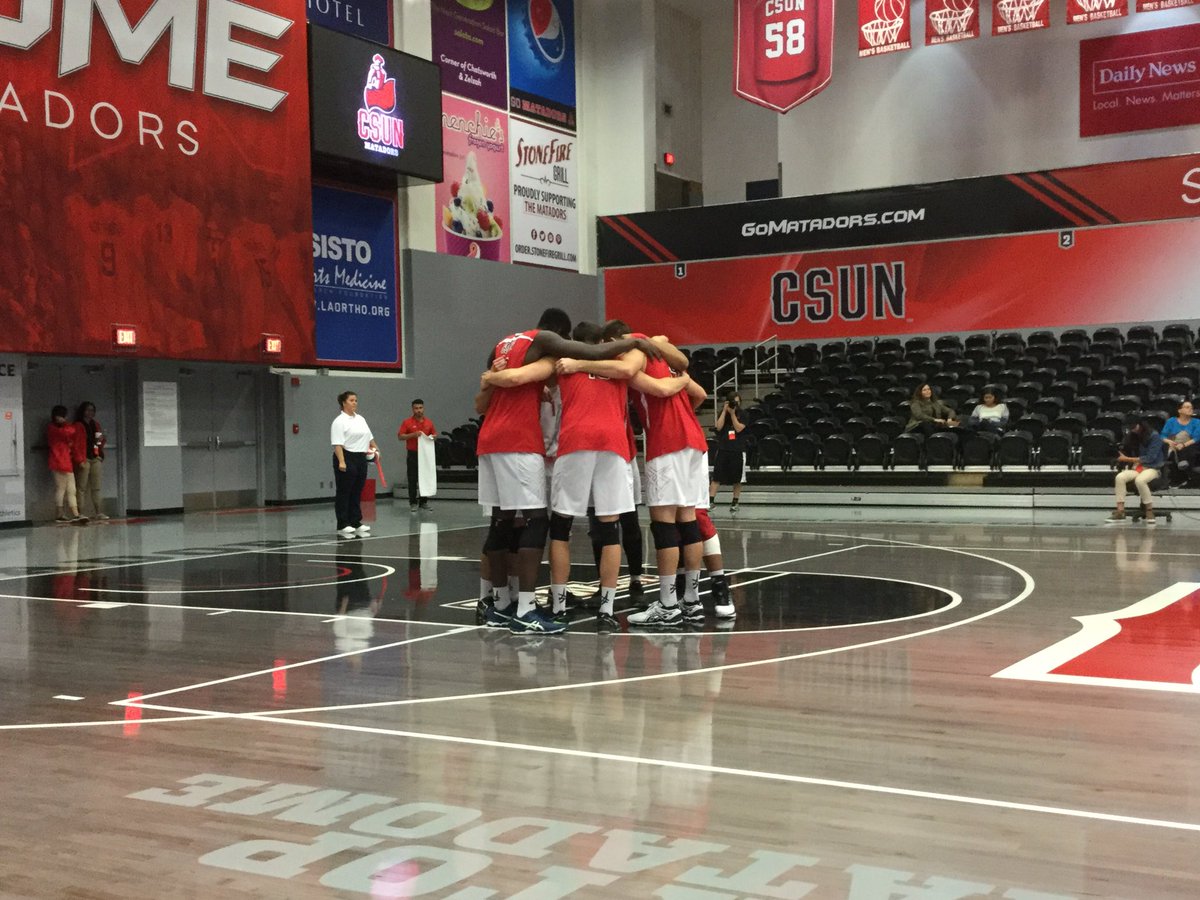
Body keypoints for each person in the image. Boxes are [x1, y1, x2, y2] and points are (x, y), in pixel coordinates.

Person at [472, 308, 663, 635]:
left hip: (544, 443)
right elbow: (657, 381)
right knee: (606, 526)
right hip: (603, 445)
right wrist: (640, 345)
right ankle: (599, 608)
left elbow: (501, 389)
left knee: (538, 524)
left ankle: (523, 603)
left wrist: (490, 377)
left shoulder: (536, 357)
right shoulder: (616, 364)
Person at [562, 320, 705, 627]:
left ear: (616, 340)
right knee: (688, 519)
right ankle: (691, 600)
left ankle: (668, 603)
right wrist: (681, 382)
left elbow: (632, 374)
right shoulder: (664, 358)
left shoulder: (635, 348)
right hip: (693, 439)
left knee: (664, 522)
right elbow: (700, 393)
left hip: (668, 440)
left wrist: (577, 363)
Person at [330, 391, 379, 536]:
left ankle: (355, 521)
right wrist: (342, 461)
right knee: (344, 491)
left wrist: (376, 450)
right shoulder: (339, 421)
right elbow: (337, 443)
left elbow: (369, 437)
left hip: (360, 457)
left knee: (357, 490)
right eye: (351, 400)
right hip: (346, 456)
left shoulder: (361, 419)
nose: (355, 403)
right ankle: (342, 524)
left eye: (356, 400)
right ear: (344, 403)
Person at [1106, 418, 1165, 526]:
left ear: (1140, 425)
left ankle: (1149, 511)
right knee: (1120, 477)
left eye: (1134, 427)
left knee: (1140, 480)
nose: (1133, 430)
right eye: (1131, 429)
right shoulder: (1133, 436)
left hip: (1152, 468)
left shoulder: (1155, 436)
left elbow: (1150, 458)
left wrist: (1126, 459)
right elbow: (1127, 451)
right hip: (1137, 468)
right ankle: (1120, 511)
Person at [47, 406, 86, 524]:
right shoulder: (52, 428)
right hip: (58, 461)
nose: (61, 418)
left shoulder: (64, 428)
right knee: (61, 488)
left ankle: (75, 514)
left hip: (66, 462)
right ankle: (60, 514)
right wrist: (65, 425)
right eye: (60, 416)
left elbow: (71, 433)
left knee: (71, 489)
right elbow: (67, 433)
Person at [397, 399, 437, 511]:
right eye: (416, 408)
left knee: (425, 477)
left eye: (420, 408)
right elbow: (400, 436)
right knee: (412, 478)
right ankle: (413, 503)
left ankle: (423, 502)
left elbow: (434, 434)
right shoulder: (407, 422)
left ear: (423, 408)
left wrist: (433, 437)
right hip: (413, 454)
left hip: (425, 454)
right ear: (412, 409)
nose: (418, 410)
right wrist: (413, 435)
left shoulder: (429, 422)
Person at [710, 391, 747, 513]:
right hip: (723, 448)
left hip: (737, 450)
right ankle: (710, 501)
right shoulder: (723, 413)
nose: (734, 404)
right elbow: (718, 427)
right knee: (717, 477)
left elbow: (738, 428)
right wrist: (725, 412)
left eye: (737, 402)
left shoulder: (743, 414)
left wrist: (732, 415)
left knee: (737, 479)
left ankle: (735, 502)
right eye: (732, 402)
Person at [72, 401, 109, 519]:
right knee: (81, 487)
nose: (90, 412)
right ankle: (80, 513)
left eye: (92, 410)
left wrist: (102, 441)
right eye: (88, 410)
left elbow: (98, 442)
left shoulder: (96, 425)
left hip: (95, 457)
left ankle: (98, 512)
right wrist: (79, 460)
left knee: (96, 487)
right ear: (82, 411)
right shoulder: (78, 425)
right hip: (84, 458)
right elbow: (76, 444)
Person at [1160, 400, 1200, 477]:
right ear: (1179, 410)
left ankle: (1182, 463)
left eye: (1191, 407)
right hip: (1173, 445)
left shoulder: (1197, 422)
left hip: (1189, 446)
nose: (1190, 409)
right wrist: (1169, 441)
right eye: (1187, 407)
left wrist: (1183, 445)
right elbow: (1162, 436)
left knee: (1189, 443)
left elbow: (1197, 438)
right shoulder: (1171, 421)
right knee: (1165, 445)